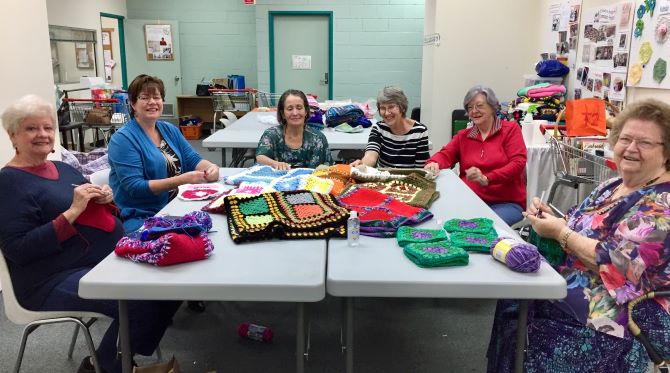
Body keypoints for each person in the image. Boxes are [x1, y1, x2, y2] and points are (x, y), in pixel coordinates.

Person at [0, 95, 181, 373]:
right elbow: (19, 249)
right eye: (31, 128)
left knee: (170, 282)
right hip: (47, 280)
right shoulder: (9, 183)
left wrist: (105, 198)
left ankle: (115, 360)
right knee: (139, 301)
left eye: (48, 128)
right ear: (13, 135)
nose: (43, 135)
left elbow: (97, 208)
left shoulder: (61, 167)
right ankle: (105, 366)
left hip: (99, 261)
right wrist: (72, 212)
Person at [487, 98, 670, 372]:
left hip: (617, 316)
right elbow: (576, 225)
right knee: (512, 299)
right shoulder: (612, 185)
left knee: (526, 311)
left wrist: (561, 234)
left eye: (645, 143)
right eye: (625, 139)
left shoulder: (660, 206)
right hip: (569, 289)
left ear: (666, 153)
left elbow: (623, 267)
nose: (631, 148)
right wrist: (551, 218)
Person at [108, 74, 219, 233]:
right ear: (133, 103)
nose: (152, 102)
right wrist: (181, 180)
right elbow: (135, 187)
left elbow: (192, 159)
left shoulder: (169, 129)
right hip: (141, 217)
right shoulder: (123, 140)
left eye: (157, 97)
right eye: (145, 98)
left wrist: (211, 167)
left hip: (175, 207)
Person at [424, 85, 527, 225]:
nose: (474, 111)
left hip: (506, 203)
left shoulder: (510, 130)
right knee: (443, 221)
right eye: (470, 107)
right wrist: (434, 162)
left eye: (479, 106)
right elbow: (446, 154)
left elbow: (518, 164)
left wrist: (487, 178)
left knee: (479, 229)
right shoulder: (464, 136)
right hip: (470, 199)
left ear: (492, 106)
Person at [350, 86, 429, 168]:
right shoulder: (379, 128)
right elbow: (371, 156)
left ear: (402, 107)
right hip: (384, 179)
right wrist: (362, 164)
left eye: (391, 107)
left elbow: (421, 169)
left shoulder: (420, 131)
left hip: (410, 179)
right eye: (383, 108)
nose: (387, 113)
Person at [256, 89, 332, 170]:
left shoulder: (318, 138)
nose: (295, 113)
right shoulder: (271, 134)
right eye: (289, 109)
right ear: (283, 114)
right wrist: (275, 164)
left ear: (306, 111)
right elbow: (260, 157)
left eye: (299, 108)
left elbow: (329, 167)